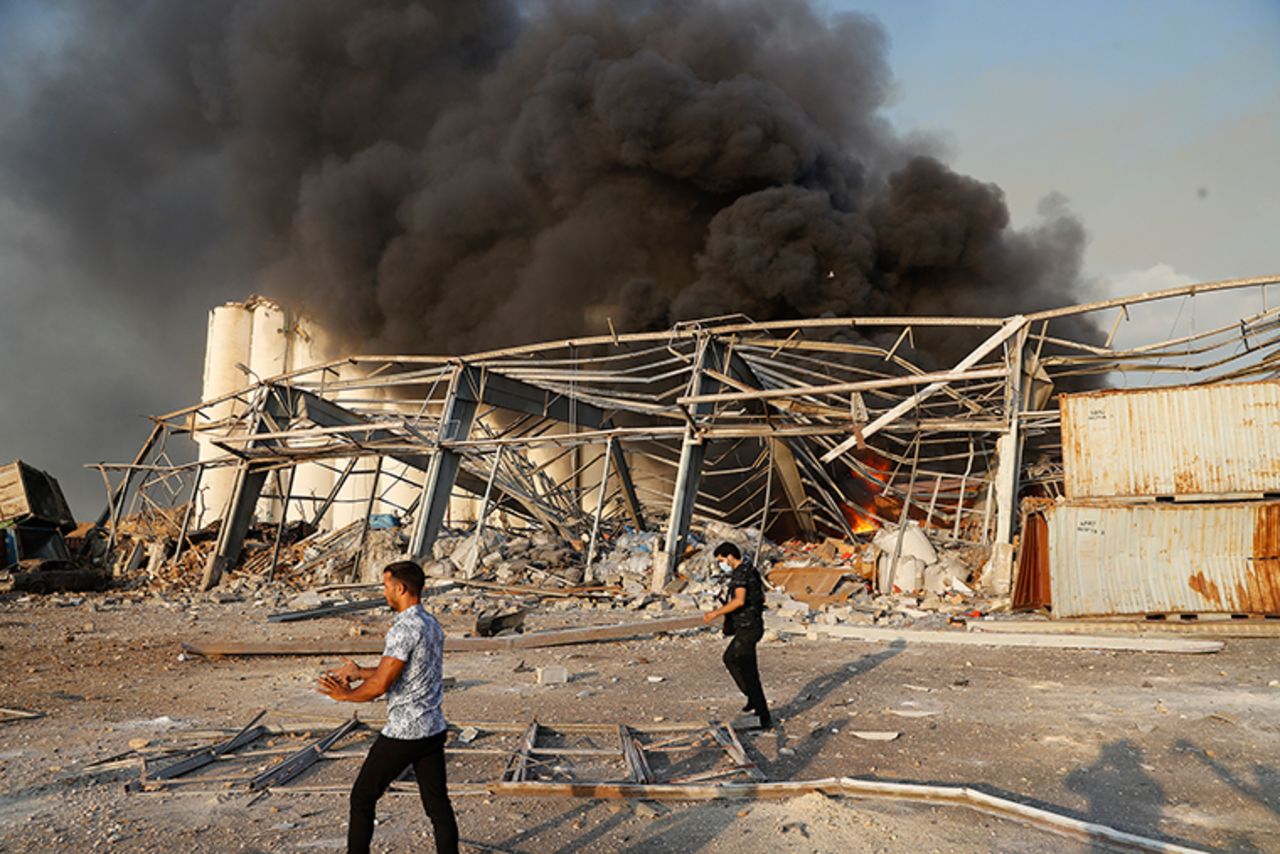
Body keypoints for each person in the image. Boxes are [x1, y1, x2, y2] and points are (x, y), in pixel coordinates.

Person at [317, 560, 459, 854]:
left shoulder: (404, 629)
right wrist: (358, 673)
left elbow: (381, 685)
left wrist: (345, 696)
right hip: (432, 728)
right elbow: (398, 673)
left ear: (400, 588)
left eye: (385, 586)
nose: (384, 592)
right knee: (437, 805)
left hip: (405, 733)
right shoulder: (431, 624)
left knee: (362, 797)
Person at [702, 542, 772, 729]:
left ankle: (763, 716)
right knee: (730, 658)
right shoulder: (750, 569)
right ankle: (752, 699)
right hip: (749, 625)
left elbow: (739, 600)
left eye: (722, 560)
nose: (722, 564)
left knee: (749, 672)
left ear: (730, 556)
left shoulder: (741, 573)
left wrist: (715, 613)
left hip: (748, 628)